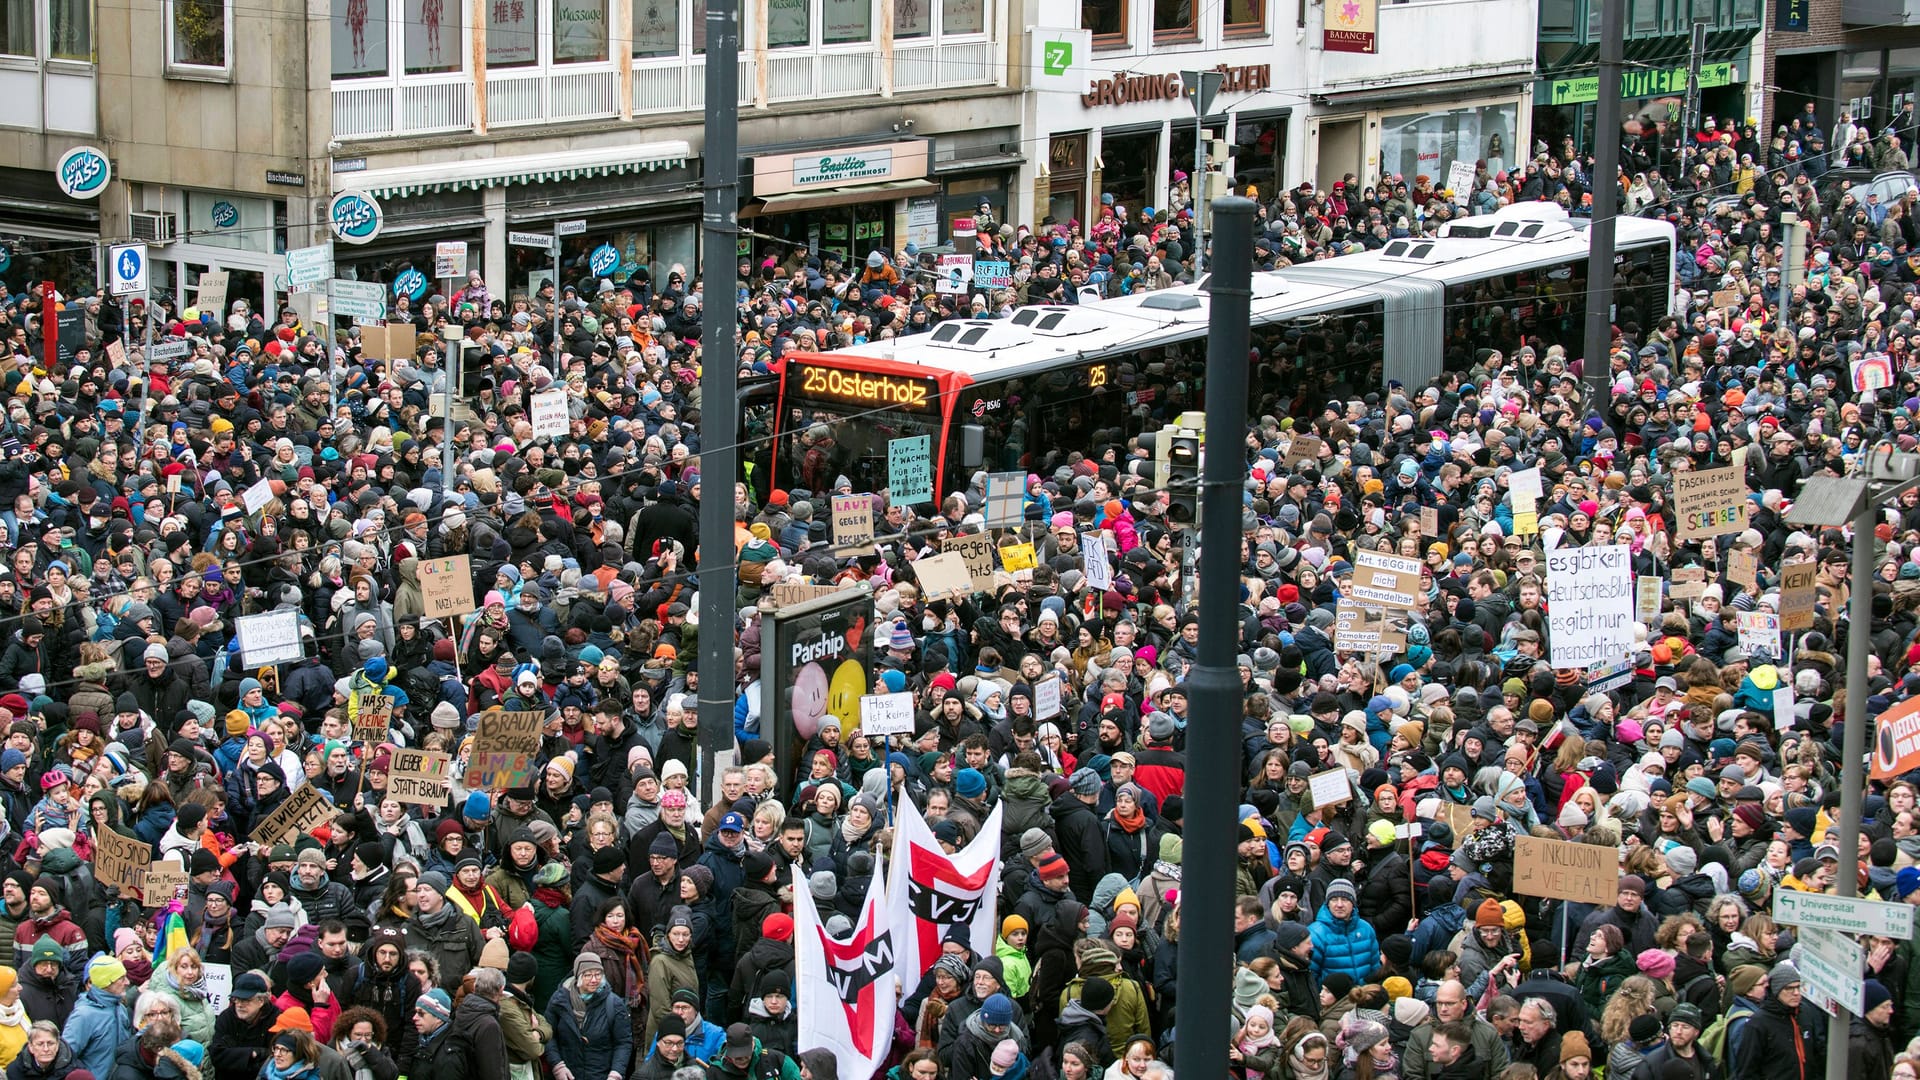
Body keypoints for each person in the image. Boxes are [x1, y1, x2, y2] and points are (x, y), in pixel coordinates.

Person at [543, 955, 631, 1080]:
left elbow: (623, 1042)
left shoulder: (614, 1004)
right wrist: (557, 1065)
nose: (594, 980)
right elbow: (549, 1035)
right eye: (588, 975)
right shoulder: (559, 1001)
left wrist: (616, 1073)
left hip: (601, 1075)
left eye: (598, 974)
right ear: (578, 977)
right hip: (568, 1075)